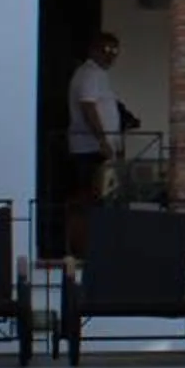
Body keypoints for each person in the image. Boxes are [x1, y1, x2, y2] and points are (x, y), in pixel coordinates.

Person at [64, 31, 124, 255]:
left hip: (98, 148)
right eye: (106, 50)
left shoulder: (98, 74)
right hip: (89, 149)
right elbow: (88, 107)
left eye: (115, 51)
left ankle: (98, 246)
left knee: (101, 199)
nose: (111, 56)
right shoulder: (89, 73)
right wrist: (102, 140)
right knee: (90, 199)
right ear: (93, 50)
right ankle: (85, 249)